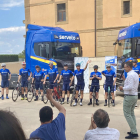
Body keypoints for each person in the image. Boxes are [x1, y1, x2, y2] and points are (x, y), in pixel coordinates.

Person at [119, 61, 139, 139]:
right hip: (134, 95)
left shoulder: (130, 75)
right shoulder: (135, 74)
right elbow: (132, 84)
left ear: (129, 67)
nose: (124, 68)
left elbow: (130, 87)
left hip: (129, 96)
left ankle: (134, 132)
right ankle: (133, 129)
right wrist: (124, 79)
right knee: (131, 113)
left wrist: (122, 88)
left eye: (125, 67)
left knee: (127, 114)